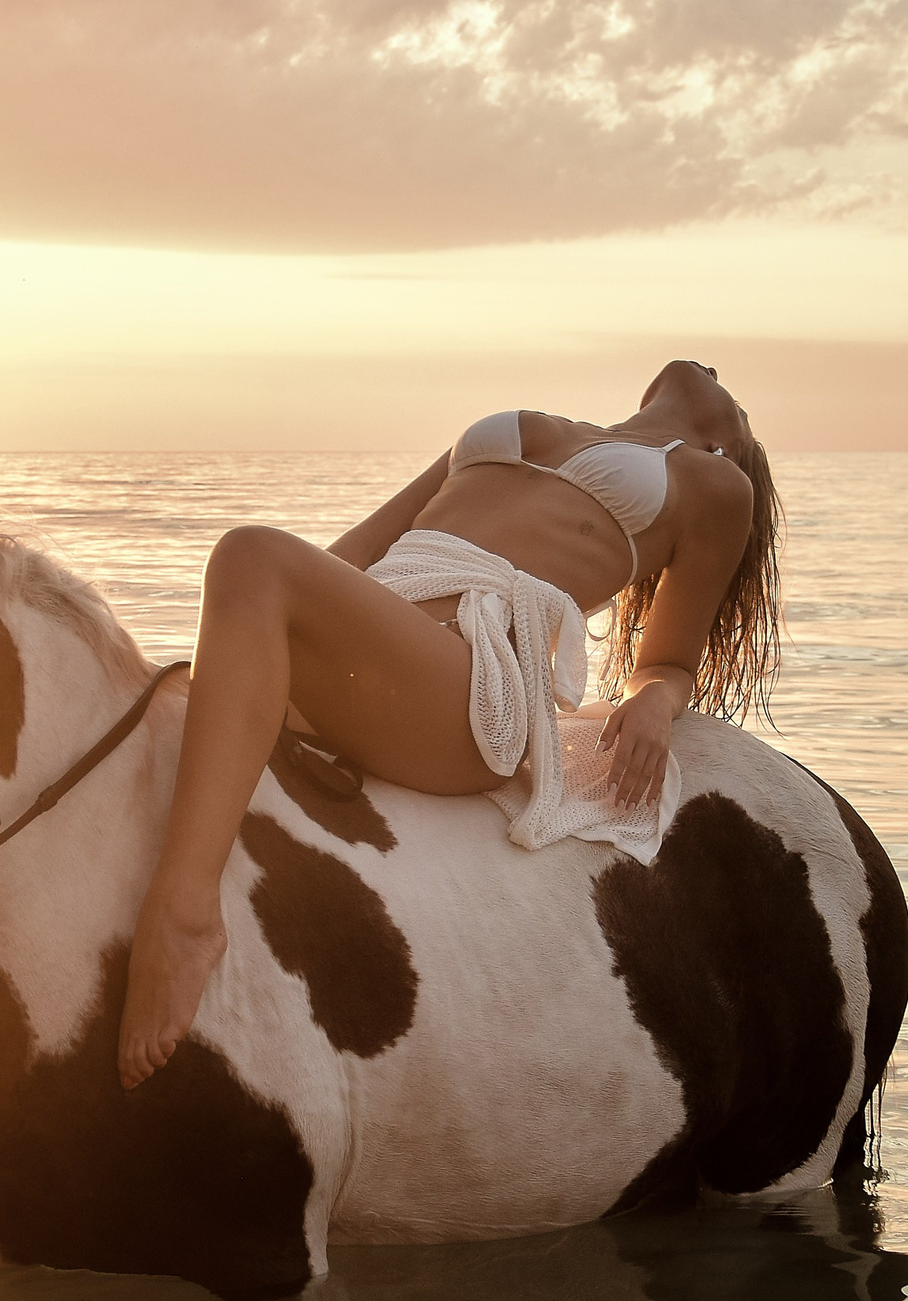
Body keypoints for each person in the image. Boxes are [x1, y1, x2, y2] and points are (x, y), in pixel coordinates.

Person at [116, 360, 781, 1089]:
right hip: (370, 656)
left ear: (730, 443)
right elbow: (354, 554)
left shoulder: (718, 483)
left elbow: (670, 662)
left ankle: (184, 912)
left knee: (249, 552)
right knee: (231, 596)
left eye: (740, 404)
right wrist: (239, 645)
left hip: (471, 688)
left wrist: (652, 700)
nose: (712, 369)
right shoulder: (542, 425)